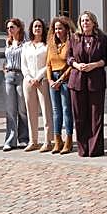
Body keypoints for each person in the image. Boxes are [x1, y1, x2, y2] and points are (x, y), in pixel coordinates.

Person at [67, 11, 107, 157]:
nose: (85, 23)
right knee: (79, 116)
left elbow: (106, 59)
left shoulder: (102, 38)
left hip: (95, 81)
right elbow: (69, 57)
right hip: (77, 81)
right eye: (83, 20)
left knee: (95, 116)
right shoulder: (74, 38)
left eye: (88, 20)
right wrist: (76, 65)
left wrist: (95, 65)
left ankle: (95, 149)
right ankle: (83, 148)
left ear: (93, 22)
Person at [22, 18, 53, 153]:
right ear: (31, 29)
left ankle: (48, 141)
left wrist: (38, 77)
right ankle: (33, 141)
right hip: (28, 81)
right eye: (35, 26)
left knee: (46, 110)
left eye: (40, 26)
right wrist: (29, 77)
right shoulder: (26, 46)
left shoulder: (47, 45)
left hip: (42, 80)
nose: (37, 28)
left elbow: (48, 63)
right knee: (31, 111)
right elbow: (23, 65)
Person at [0, 18, 30, 152]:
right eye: (8, 28)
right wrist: (5, 66)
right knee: (10, 110)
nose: (9, 30)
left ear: (19, 28)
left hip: (21, 76)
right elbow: (7, 59)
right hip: (9, 76)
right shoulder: (8, 42)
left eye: (12, 27)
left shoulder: (26, 43)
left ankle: (24, 139)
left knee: (22, 109)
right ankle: (10, 140)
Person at [46, 17, 75, 154]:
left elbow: (71, 63)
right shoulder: (51, 44)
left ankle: (68, 140)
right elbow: (48, 64)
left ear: (66, 29)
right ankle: (58, 140)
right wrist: (50, 80)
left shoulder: (70, 43)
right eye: (56, 28)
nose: (57, 31)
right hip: (53, 79)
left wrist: (62, 78)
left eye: (60, 28)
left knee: (66, 109)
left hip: (65, 78)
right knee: (56, 111)